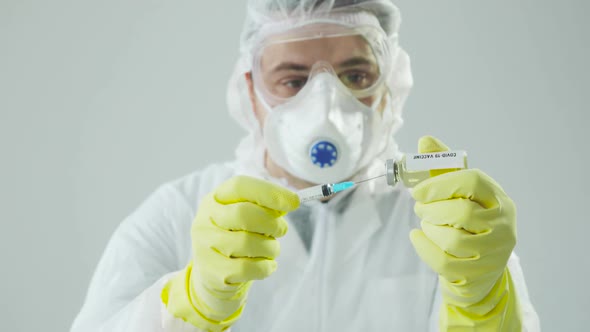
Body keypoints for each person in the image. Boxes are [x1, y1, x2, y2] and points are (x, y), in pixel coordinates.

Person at [71, 1, 540, 331]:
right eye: (293, 80)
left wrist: (483, 305)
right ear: (250, 91)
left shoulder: (448, 224)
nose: (326, 105)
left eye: (355, 76)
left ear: (390, 83)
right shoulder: (177, 216)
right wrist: (191, 306)